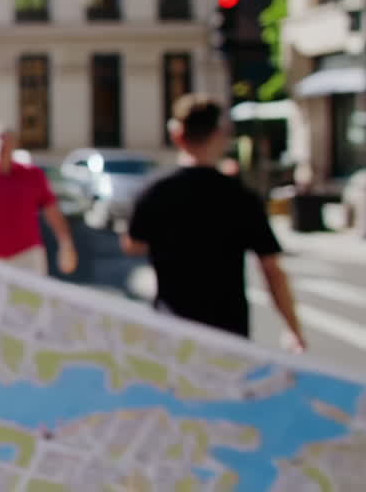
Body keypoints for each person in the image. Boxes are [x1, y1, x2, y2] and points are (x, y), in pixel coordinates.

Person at [124, 94, 306, 350]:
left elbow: (133, 244)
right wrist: (293, 329)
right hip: (228, 332)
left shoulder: (156, 191)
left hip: (172, 329)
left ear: (177, 136)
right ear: (219, 135)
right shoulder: (240, 196)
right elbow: (271, 269)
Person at [0, 127, 78, 276]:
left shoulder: (33, 175)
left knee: (32, 298)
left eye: (6, 143)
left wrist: (66, 244)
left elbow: (53, 213)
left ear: (15, 146)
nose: (2, 148)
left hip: (28, 255)